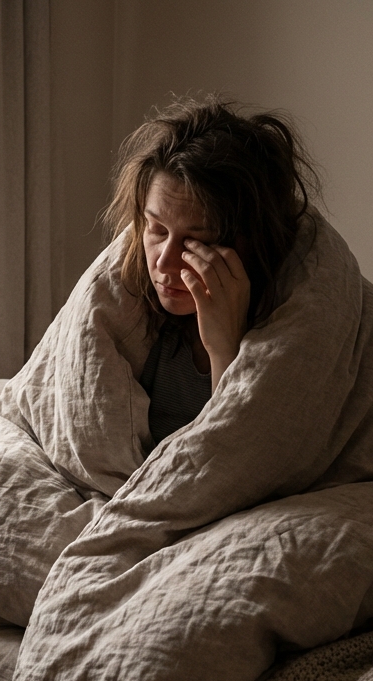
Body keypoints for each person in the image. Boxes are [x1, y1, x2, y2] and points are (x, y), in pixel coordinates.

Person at [102, 96, 321, 444]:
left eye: (195, 242)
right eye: (156, 229)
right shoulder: (137, 315)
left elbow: (230, 456)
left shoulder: (287, 329)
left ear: (248, 245)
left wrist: (223, 349)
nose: (163, 262)